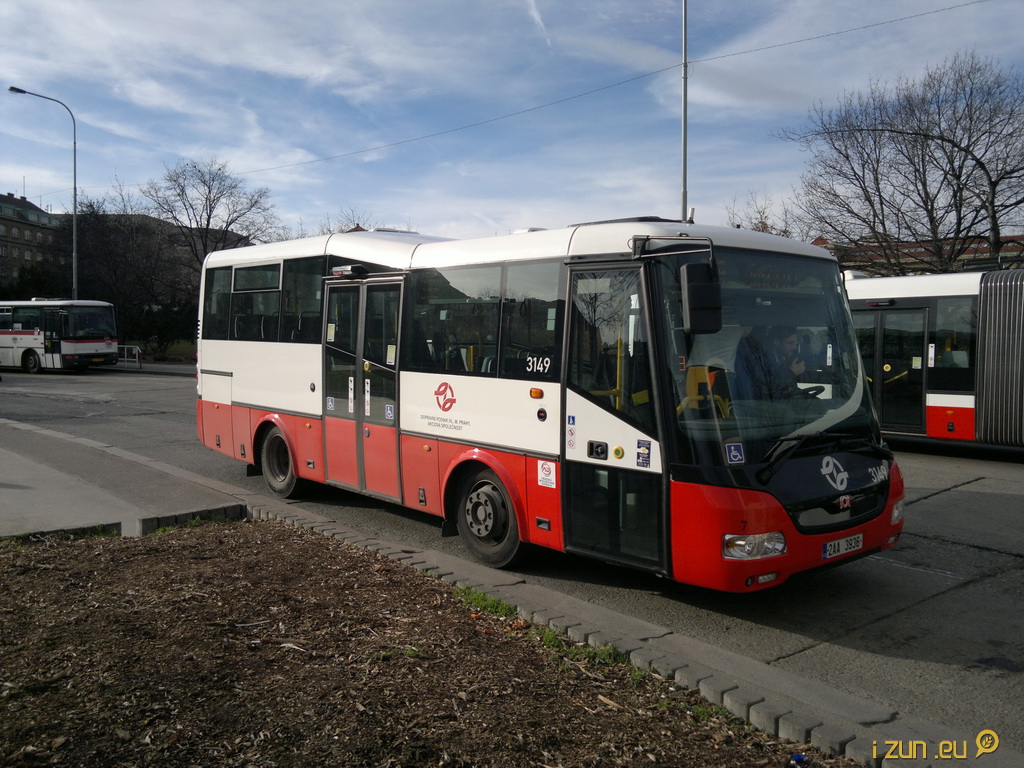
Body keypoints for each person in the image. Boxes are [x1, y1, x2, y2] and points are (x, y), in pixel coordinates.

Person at [734, 325, 805, 400]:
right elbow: (767, 387)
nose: (794, 347)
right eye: (790, 343)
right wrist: (790, 372)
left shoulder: (790, 359)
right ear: (776, 342)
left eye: (795, 343)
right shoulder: (761, 360)